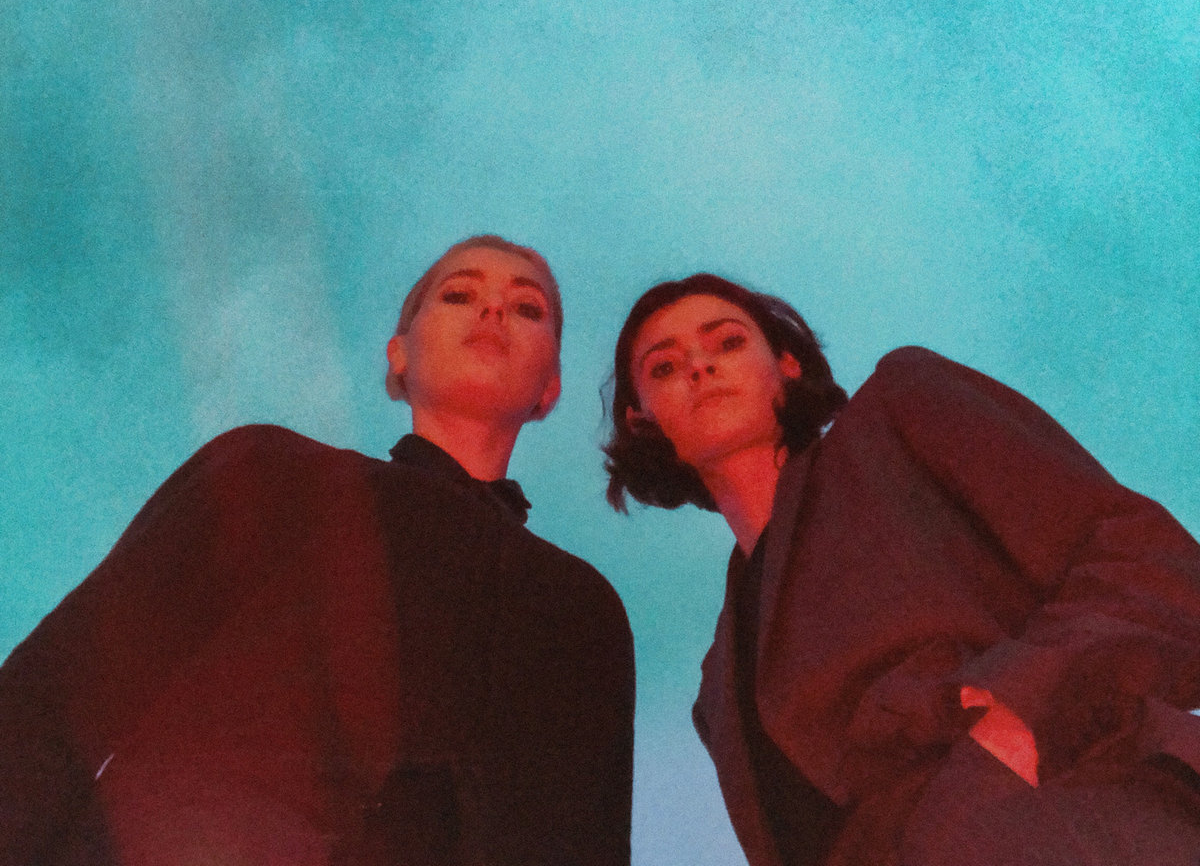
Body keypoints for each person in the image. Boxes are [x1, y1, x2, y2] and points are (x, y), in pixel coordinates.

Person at [1, 235, 635, 866]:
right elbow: (54, 698)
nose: (492, 310)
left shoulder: (579, 609)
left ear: (550, 384)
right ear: (399, 353)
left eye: (527, 308)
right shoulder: (267, 475)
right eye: (458, 294)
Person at [603, 272, 1200, 866]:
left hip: (1061, 827)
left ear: (787, 365)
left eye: (728, 342)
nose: (700, 368)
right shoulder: (717, 688)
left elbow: (1140, 556)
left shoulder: (895, 413)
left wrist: (1012, 716)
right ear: (642, 420)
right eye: (664, 367)